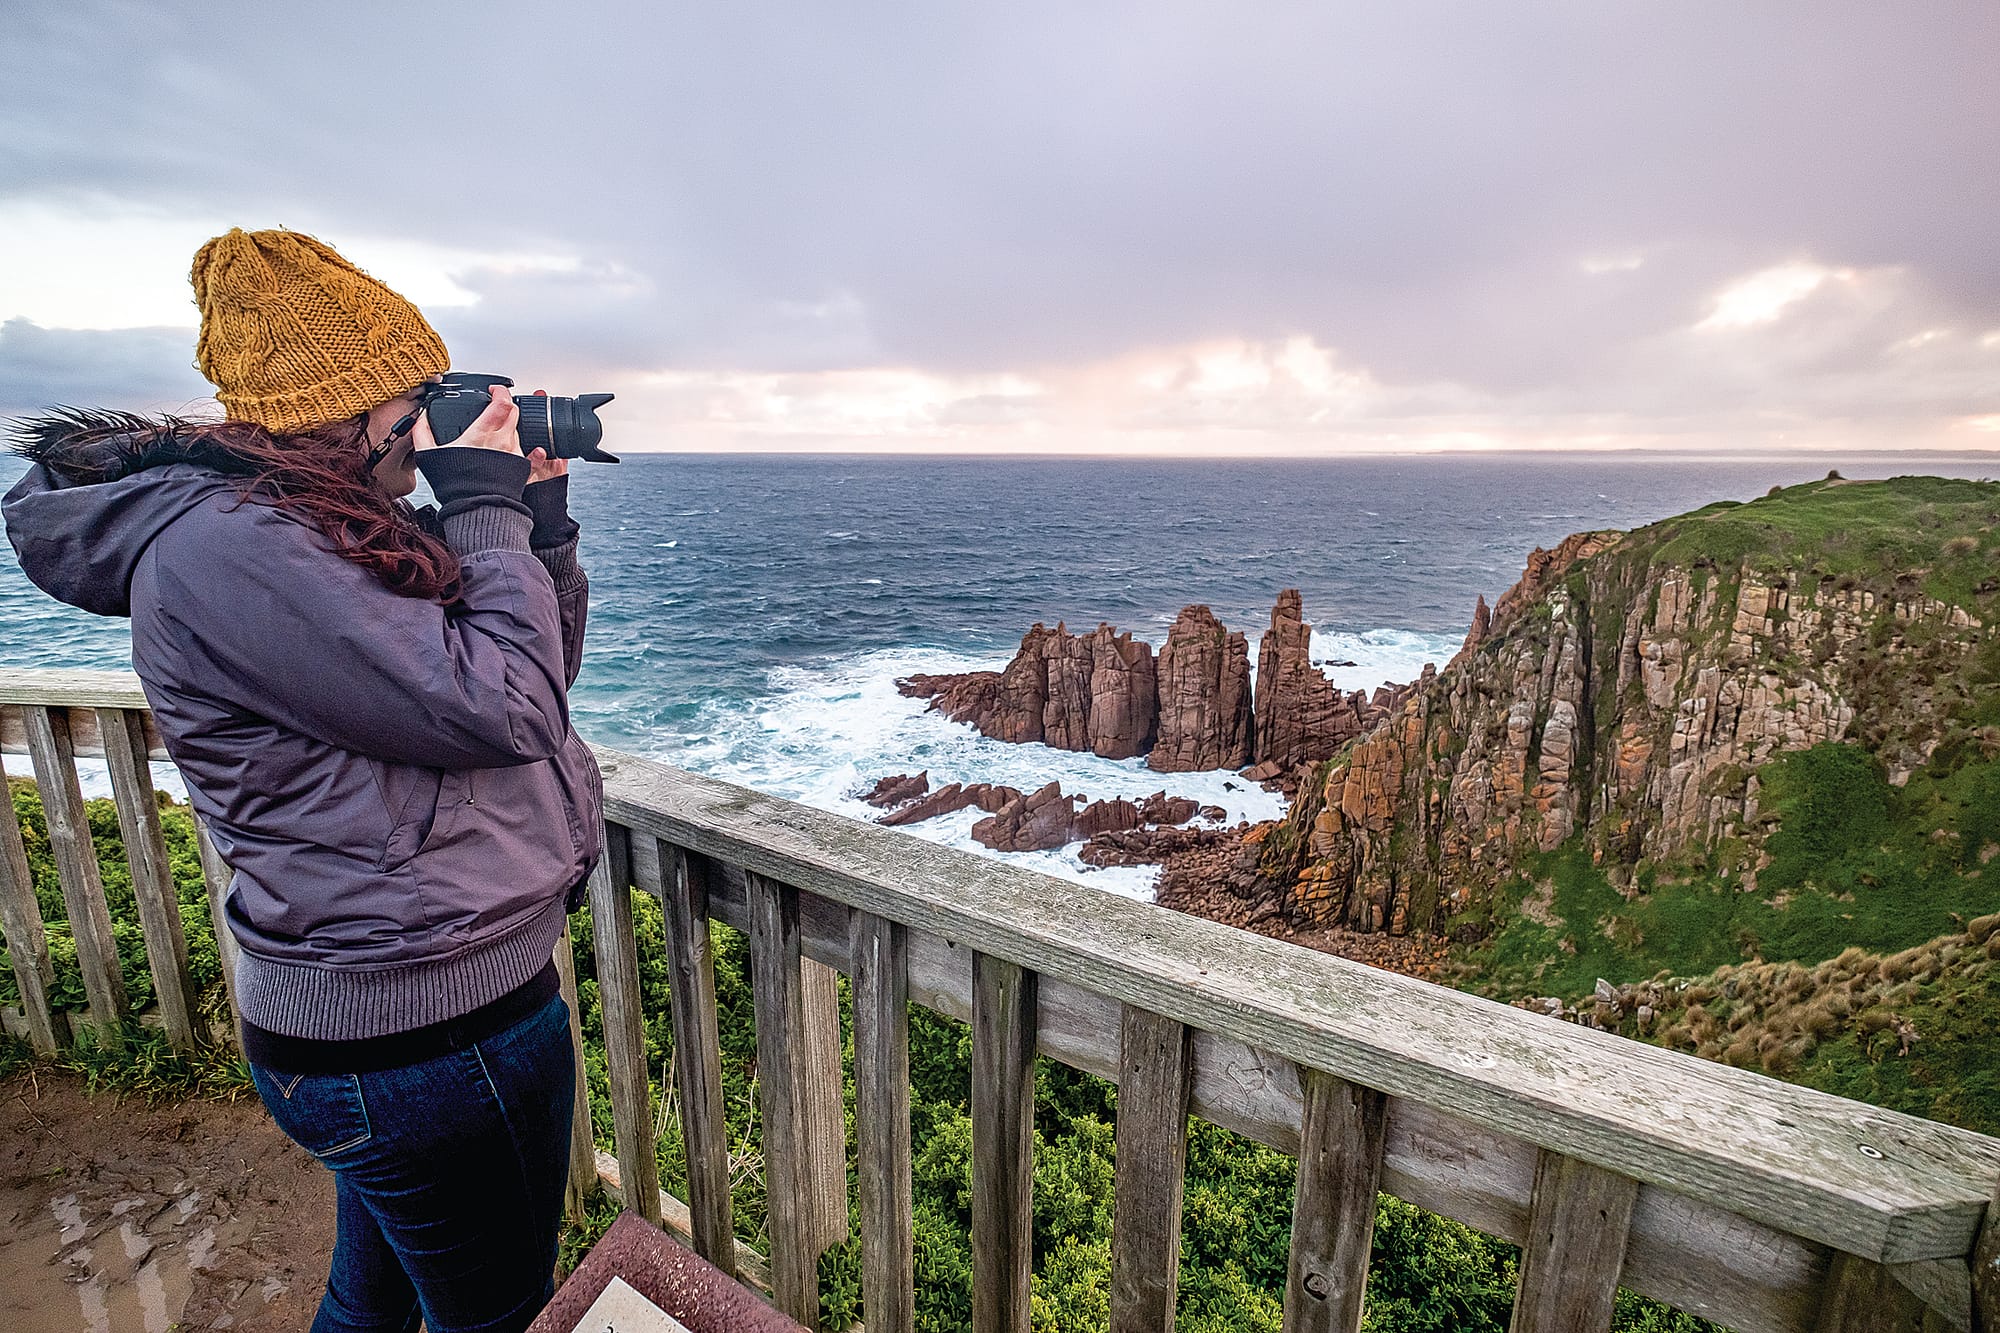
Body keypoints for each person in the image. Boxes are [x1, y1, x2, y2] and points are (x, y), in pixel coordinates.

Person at [2, 228, 603, 1333]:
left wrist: (539, 526)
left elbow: (528, 686)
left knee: (369, 1302)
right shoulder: (236, 549)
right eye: (410, 402)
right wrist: (480, 505)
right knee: (496, 1313)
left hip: (407, 1014)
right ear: (341, 413)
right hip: (421, 1036)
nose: (425, 426)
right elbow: (504, 704)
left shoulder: (313, 529)